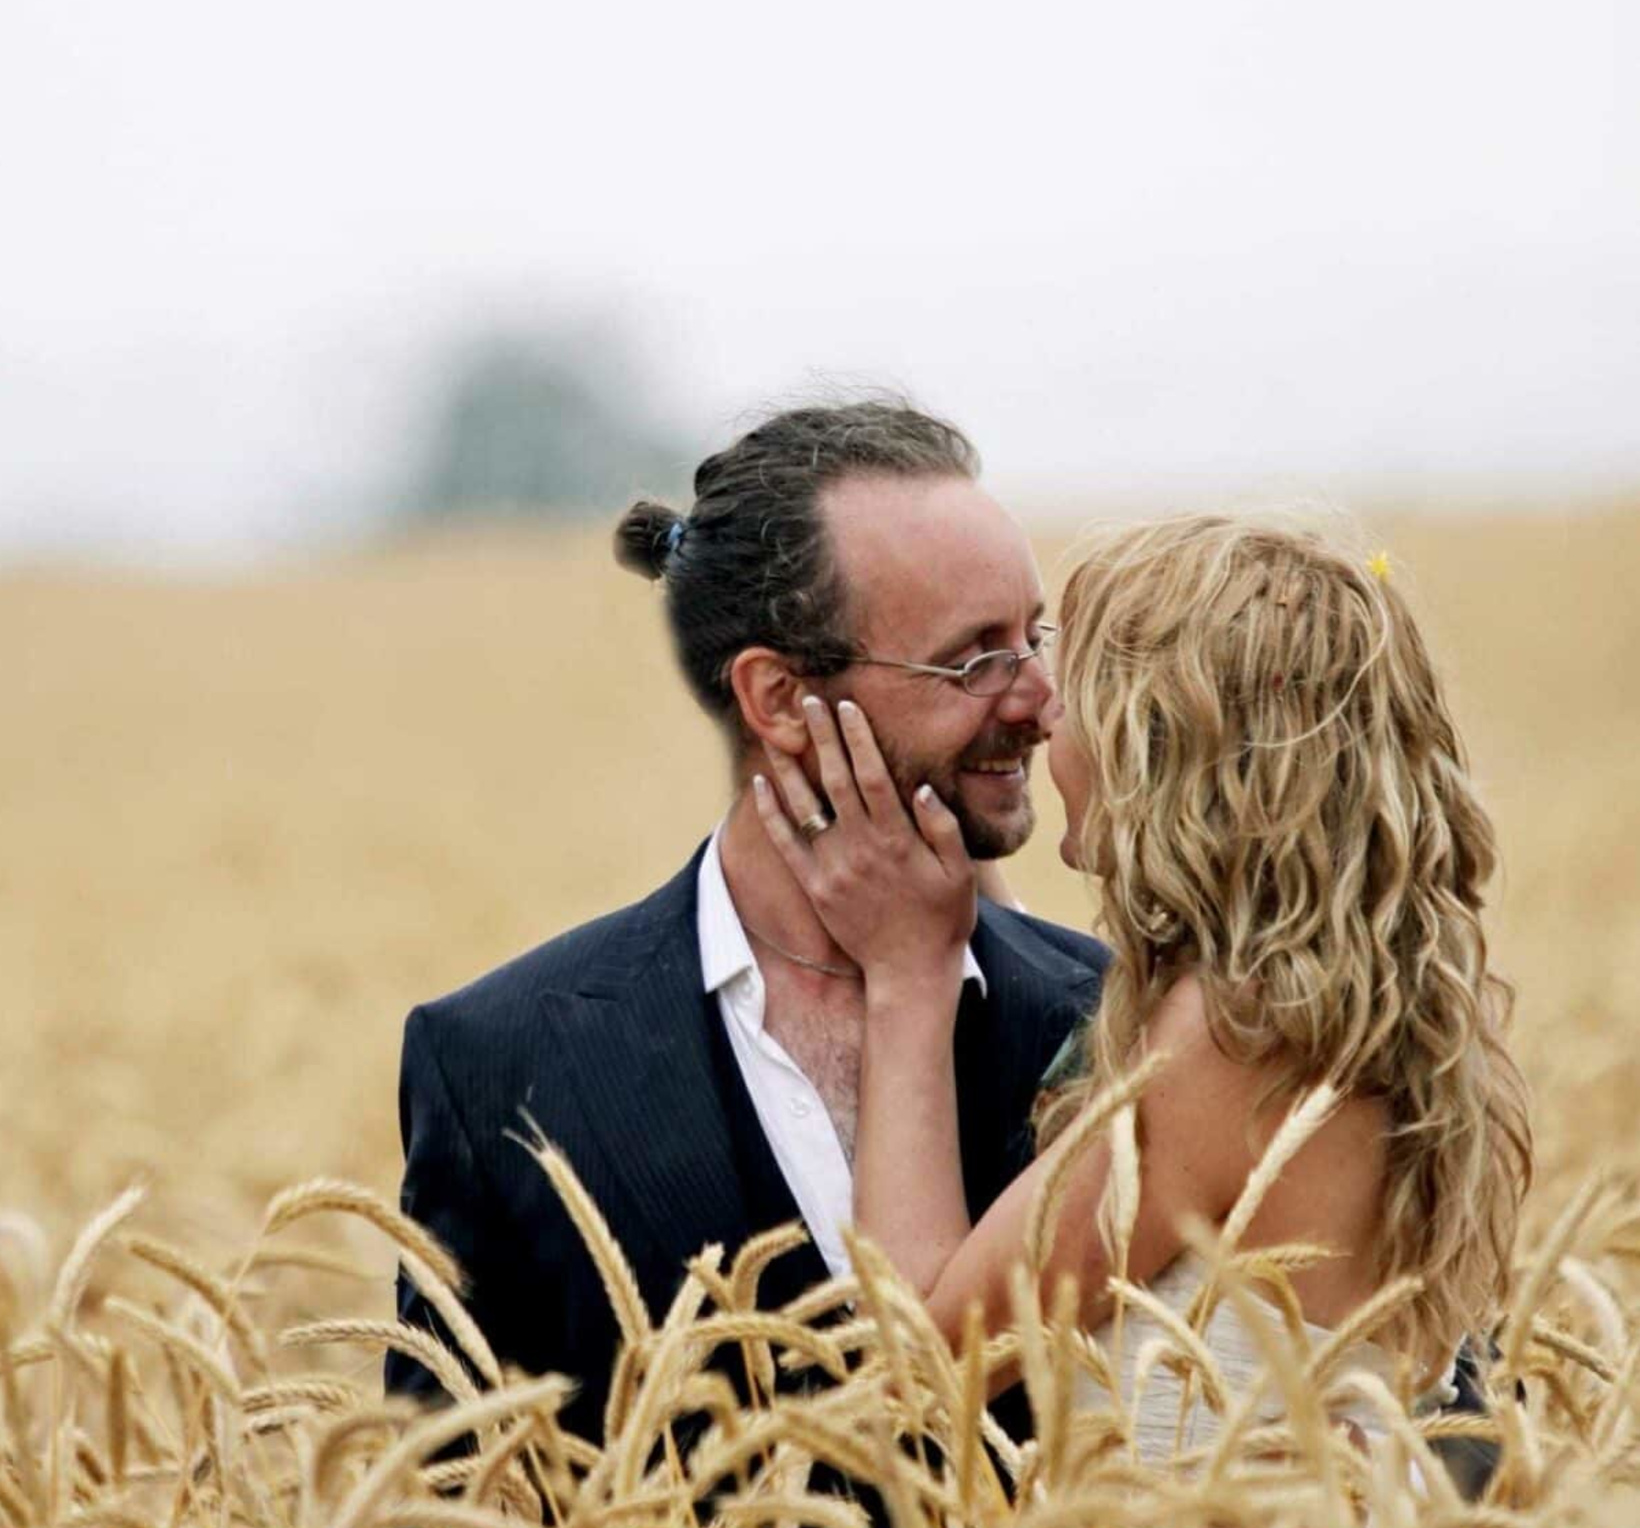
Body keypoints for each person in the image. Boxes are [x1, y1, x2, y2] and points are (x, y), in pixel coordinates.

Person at [386, 399, 1106, 1449]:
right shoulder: (498, 1062)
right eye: (972, 659)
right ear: (776, 699)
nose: (1041, 703)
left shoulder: (1119, 1021)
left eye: (1031, 638)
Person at [753, 515, 1532, 1459]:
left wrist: (909, 976)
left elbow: (920, 1361)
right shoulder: (1334, 1000)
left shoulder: (1235, 1042)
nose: (1036, 711)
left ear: (1162, 746)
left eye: (1070, 689)